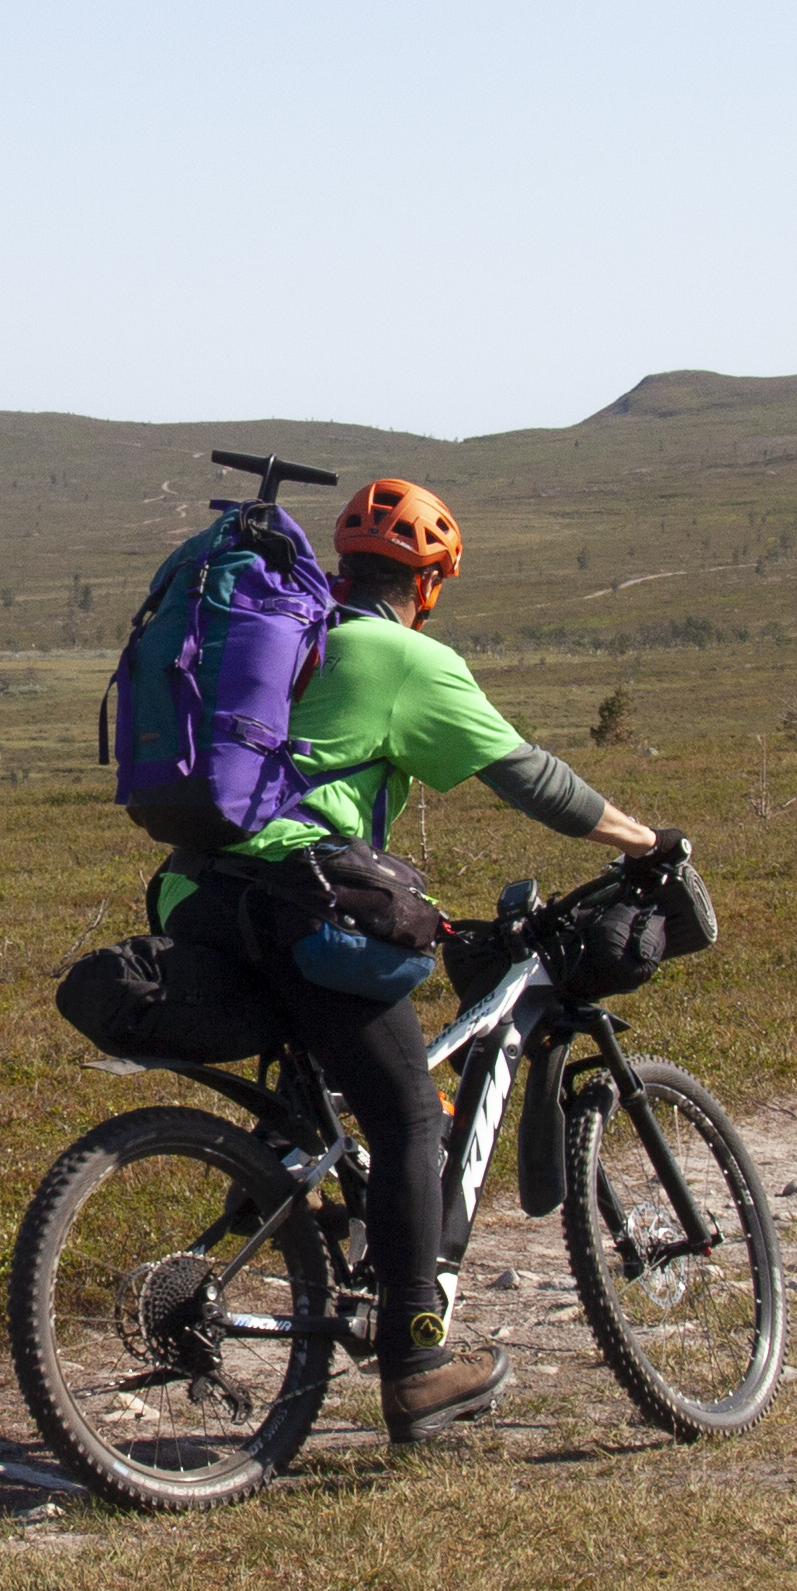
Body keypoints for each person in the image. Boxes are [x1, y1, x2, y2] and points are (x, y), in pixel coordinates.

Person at [155, 475, 663, 1442]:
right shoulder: (400, 654)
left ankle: (312, 1238)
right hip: (300, 901)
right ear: (427, 582)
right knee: (406, 1120)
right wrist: (643, 843)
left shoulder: (288, 636)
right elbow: (532, 779)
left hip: (197, 896)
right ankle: (419, 1366)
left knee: (340, 1099)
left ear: (343, 568)